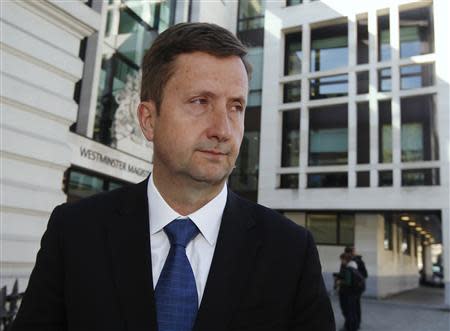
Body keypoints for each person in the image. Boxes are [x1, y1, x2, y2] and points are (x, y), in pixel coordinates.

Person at [12, 23, 335, 331]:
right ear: (149, 120)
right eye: (200, 102)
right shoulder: (75, 231)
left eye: (235, 106)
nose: (223, 129)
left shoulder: (290, 250)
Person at [335, 253, 360, 331]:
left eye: (342, 260)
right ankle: (353, 326)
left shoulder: (348, 269)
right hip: (353, 293)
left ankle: (350, 327)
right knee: (352, 310)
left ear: (345, 260)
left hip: (348, 294)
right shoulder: (354, 267)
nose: (341, 261)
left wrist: (339, 282)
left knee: (348, 311)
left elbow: (348, 282)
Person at [345, 246, 367, 329]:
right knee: (355, 306)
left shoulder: (357, 261)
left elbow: (365, 274)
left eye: (350, 253)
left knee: (352, 307)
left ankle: (354, 325)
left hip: (355, 288)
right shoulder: (351, 261)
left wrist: (356, 277)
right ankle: (355, 324)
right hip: (356, 288)